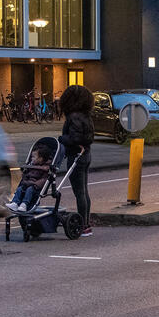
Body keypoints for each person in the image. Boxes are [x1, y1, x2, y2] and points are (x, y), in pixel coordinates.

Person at [58, 85, 94, 236]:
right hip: (86, 155)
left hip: (76, 157)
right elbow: (88, 137)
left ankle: (83, 225)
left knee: (79, 192)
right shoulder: (86, 116)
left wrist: (61, 138)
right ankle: (86, 221)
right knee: (84, 191)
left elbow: (74, 138)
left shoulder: (74, 117)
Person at [7, 144, 52, 212]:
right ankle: (15, 203)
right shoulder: (31, 165)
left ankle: (24, 204)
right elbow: (26, 175)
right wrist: (24, 180)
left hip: (35, 186)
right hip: (28, 183)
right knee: (19, 189)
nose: (31, 159)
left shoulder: (45, 168)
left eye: (33, 157)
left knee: (29, 190)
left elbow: (44, 179)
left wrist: (35, 184)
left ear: (40, 159)